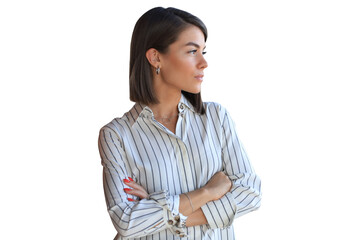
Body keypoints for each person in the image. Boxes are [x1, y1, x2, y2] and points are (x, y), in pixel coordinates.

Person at [98, 7, 261, 239]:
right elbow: (126, 221)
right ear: (156, 57)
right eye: (192, 51)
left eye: (204, 51)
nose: (204, 63)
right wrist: (208, 192)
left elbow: (251, 193)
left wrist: (159, 207)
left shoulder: (216, 118)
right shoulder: (116, 135)